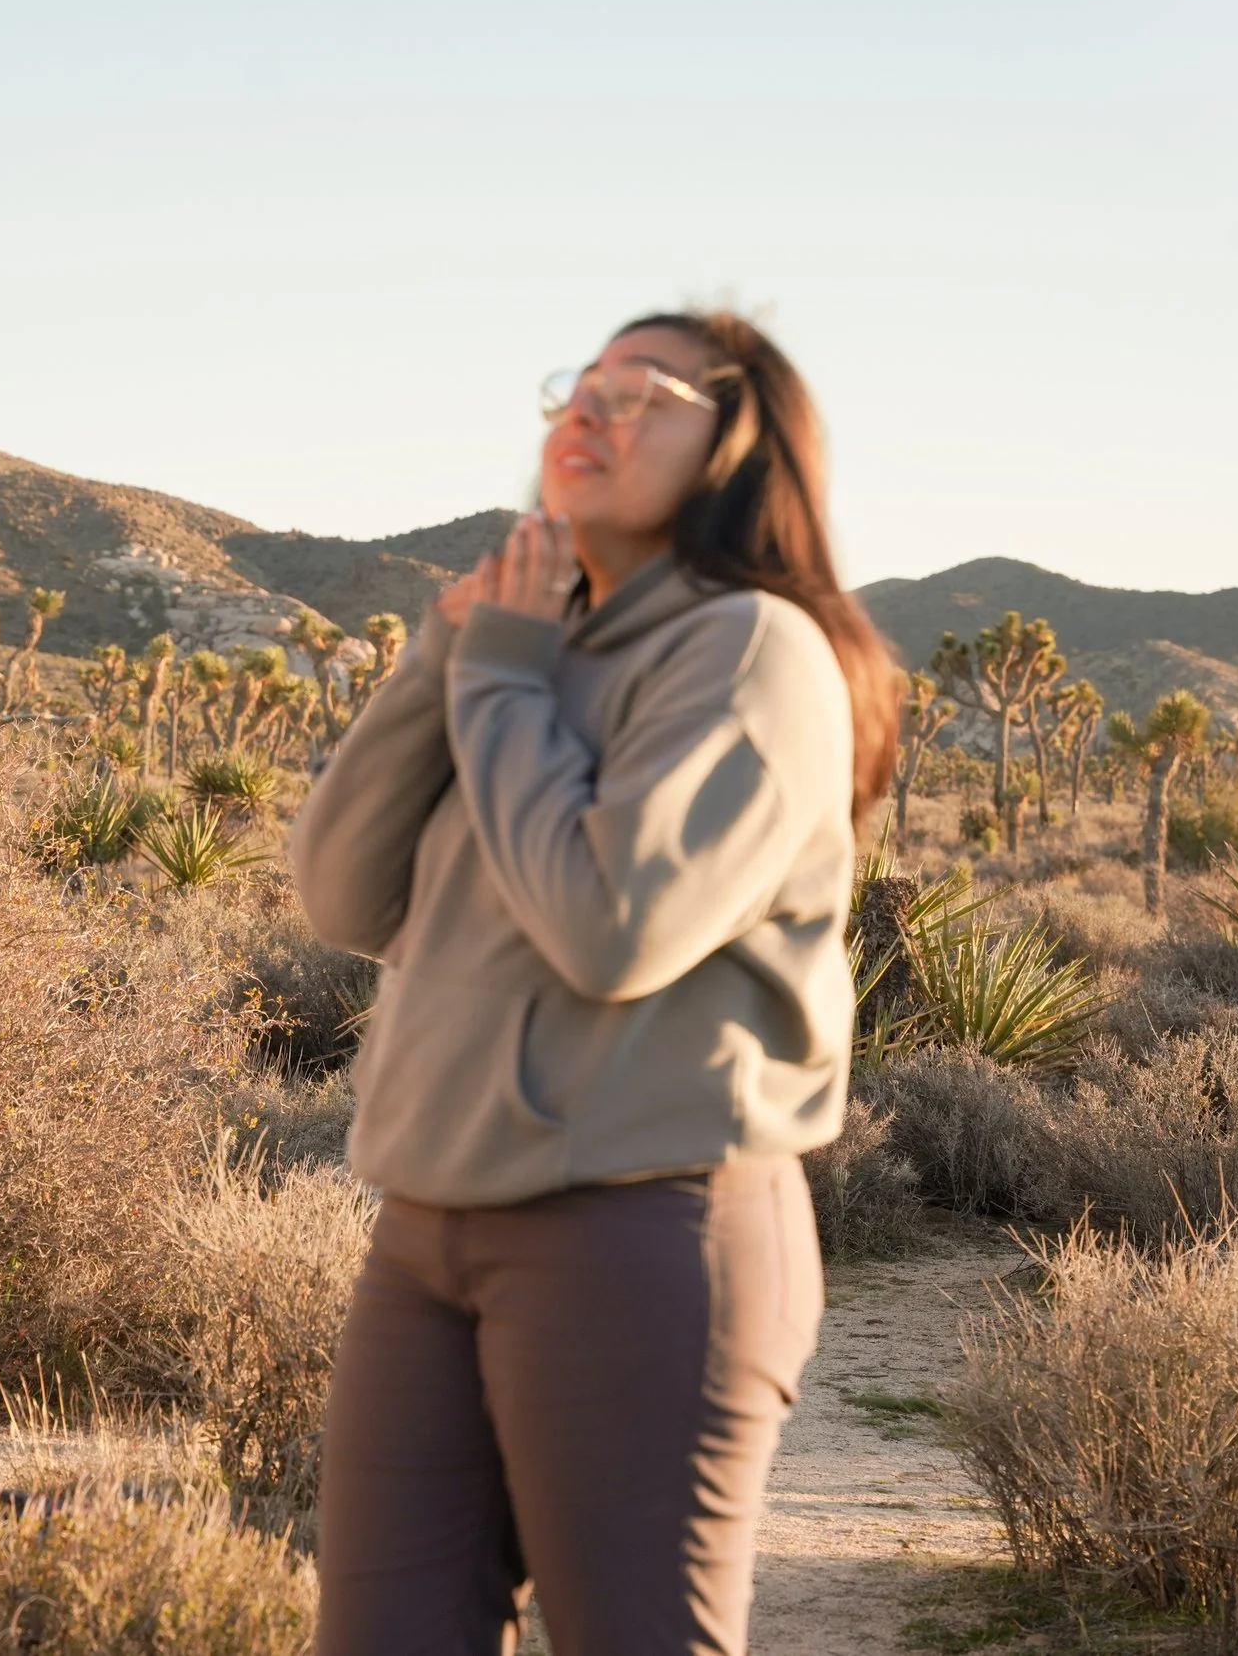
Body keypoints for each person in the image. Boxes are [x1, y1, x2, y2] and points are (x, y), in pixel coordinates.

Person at [289, 310, 897, 1656]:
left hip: (636, 1226)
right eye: (584, 385)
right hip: (429, 1226)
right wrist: (451, 657)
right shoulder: (520, 642)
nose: (594, 412)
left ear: (741, 453)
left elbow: (615, 923)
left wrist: (498, 679)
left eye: (650, 394)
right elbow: (340, 892)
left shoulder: (748, 653)